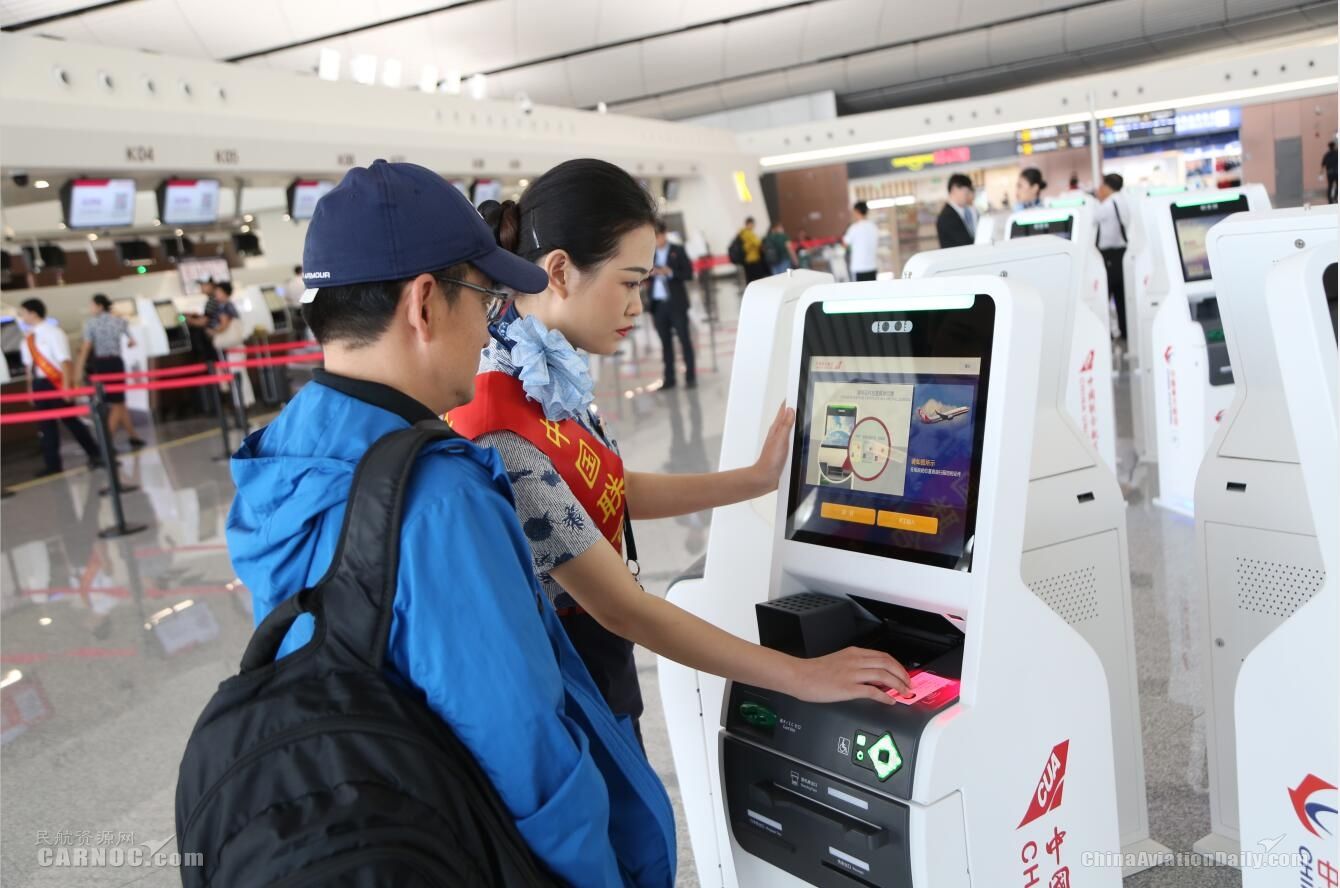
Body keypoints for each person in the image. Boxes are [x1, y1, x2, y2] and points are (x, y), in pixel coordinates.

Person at [226, 159, 676, 887]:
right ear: (425, 303)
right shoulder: (441, 500)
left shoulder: (278, 459)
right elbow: (526, 748)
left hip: (368, 826)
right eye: (486, 295)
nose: (493, 321)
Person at [449, 158, 911, 747]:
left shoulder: (540, 373)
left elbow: (609, 490)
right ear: (560, 271)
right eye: (629, 281)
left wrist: (754, 479)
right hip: (563, 705)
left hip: (593, 673)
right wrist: (801, 676)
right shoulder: (503, 418)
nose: (638, 305)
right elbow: (624, 609)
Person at [17, 299, 103, 477]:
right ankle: (52, 465)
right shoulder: (28, 339)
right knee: (45, 425)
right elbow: (29, 368)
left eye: (23, 312)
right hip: (39, 384)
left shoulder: (53, 333)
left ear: (33, 313)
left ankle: (95, 454)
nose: (22, 316)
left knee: (70, 420)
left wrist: (66, 387)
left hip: (56, 382)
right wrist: (30, 390)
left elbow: (65, 361)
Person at [76, 294, 145, 449]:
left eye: (92, 305)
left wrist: (78, 370)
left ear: (100, 306)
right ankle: (133, 436)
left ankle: (105, 443)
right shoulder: (119, 321)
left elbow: (86, 348)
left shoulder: (91, 324)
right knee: (119, 401)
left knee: (116, 403)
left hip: (101, 364)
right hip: (116, 363)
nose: (90, 308)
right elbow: (132, 341)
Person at [646, 221, 696, 389]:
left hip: (676, 303)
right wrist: (649, 273)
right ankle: (669, 379)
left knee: (684, 339)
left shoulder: (677, 250)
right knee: (665, 342)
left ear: (664, 234)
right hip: (658, 305)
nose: (656, 240)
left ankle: (690, 376)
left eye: (658, 236)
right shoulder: (649, 253)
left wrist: (670, 272)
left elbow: (688, 274)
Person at [1096, 173, 1129, 340]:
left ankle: (1106, 334)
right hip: (1122, 254)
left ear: (1107, 187)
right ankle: (1124, 332)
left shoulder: (1107, 205)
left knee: (1104, 297)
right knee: (1122, 297)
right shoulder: (1124, 201)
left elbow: (1091, 219)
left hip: (1108, 256)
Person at [936, 173, 978, 249]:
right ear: (954, 189)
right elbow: (966, 243)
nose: (968, 195)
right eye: (966, 192)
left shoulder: (963, 211)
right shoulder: (947, 217)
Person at [843, 200, 879, 281]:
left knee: (860, 292)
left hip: (859, 268)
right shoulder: (874, 227)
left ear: (857, 211)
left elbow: (845, 244)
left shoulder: (854, 228)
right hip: (872, 266)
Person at [1324, 140, 1337, 204]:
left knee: (1330, 186)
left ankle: (1329, 198)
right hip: (1337, 172)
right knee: (1338, 185)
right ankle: (1335, 196)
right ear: (1334, 146)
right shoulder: (1337, 153)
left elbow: (1323, 164)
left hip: (1330, 173)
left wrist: (1320, 173)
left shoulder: (1327, 155)